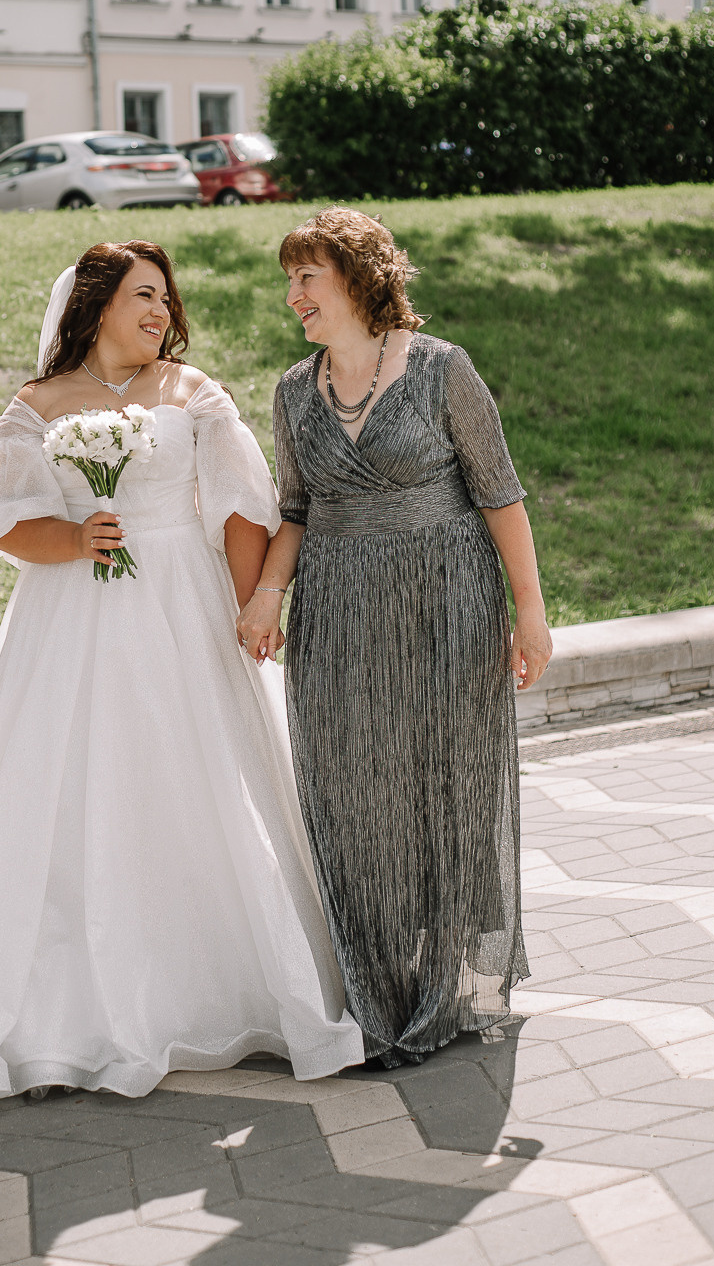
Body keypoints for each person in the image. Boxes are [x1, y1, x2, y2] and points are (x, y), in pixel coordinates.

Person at [0, 239, 366, 1099]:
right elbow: (0, 519)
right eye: (144, 297)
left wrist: (256, 605)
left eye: (167, 301)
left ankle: (227, 990)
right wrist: (70, 539)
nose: (160, 314)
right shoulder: (39, 402)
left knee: (192, 780)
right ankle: (66, 1013)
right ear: (95, 304)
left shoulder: (192, 390)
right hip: (71, 619)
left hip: (182, 606)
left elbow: (244, 504)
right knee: (69, 790)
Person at [237, 208, 552, 1070]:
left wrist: (529, 609)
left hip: (448, 598)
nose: (294, 295)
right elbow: (294, 510)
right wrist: (268, 594)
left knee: (443, 781)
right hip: (337, 608)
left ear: (359, 276)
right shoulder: (293, 392)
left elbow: (501, 492)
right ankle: (374, 986)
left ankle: (445, 983)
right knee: (348, 785)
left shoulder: (443, 369)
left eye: (309, 275)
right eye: (290, 279)